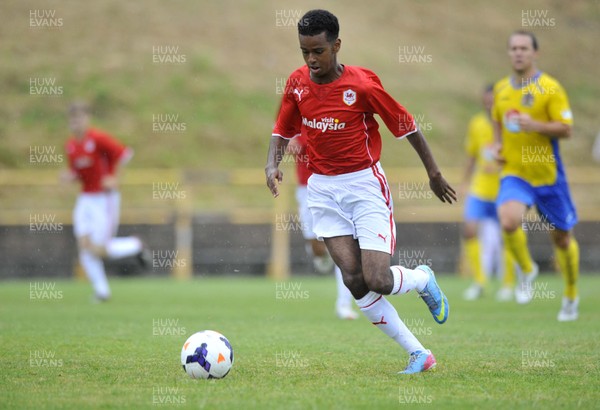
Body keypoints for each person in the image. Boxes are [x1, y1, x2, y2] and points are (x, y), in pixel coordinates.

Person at [265, 10, 456, 374]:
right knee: (354, 281)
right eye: (304, 52)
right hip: (322, 190)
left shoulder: (363, 87)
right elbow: (282, 128)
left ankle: (421, 279)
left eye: (318, 51)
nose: (311, 60)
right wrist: (271, 163)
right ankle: (419, 353)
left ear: (336, 45)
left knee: (379, 280)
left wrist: (433, 172)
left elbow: (408, 126)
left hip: (364, 186)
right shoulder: (297, 83)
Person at [492, 31, 579, 321]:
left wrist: (535, 124)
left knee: (563, 239)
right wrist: (498, 148)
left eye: (524, 48)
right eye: (513, 48)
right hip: (515, 174)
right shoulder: (502, 90)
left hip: (548, 177)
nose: (518, 53)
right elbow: (497, 124)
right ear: (509, 53)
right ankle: (527, 270)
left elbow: (566, 128)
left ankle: (570, 294)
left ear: (535, 53)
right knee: (508, 220)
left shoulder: (551, 88)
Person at [62, 101, 149, 302]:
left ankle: (135, 245)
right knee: (85, 247)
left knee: (99, 249)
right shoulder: (71, 146)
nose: (76, 123)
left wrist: (115, 178)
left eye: (80, 118)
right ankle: (102, 292)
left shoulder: (98, 138)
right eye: (73, 119)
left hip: (104, 199)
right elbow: (79, 171)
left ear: (87, 119)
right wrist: (70, 176)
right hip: (85, 199)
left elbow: (124, 154)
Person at [286, 134, 358, 320]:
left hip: (335, 186)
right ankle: (321, 252)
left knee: (343, 247)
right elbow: (283, 138)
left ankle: (344, 304)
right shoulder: (293, 108)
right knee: (317, 248)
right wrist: (289, 144)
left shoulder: (334, 116)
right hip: (307, 189)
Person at [462, 85, 516, 301]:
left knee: (508, 235)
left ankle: (508, 284)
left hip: (504, 188)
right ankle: (480, 282)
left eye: (492, 100)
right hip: (480, 188)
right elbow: (472, 155)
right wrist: (465, 181)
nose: (488, 104)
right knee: (469, 230)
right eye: (486, 100)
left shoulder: (510, 124)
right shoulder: (476, 123)